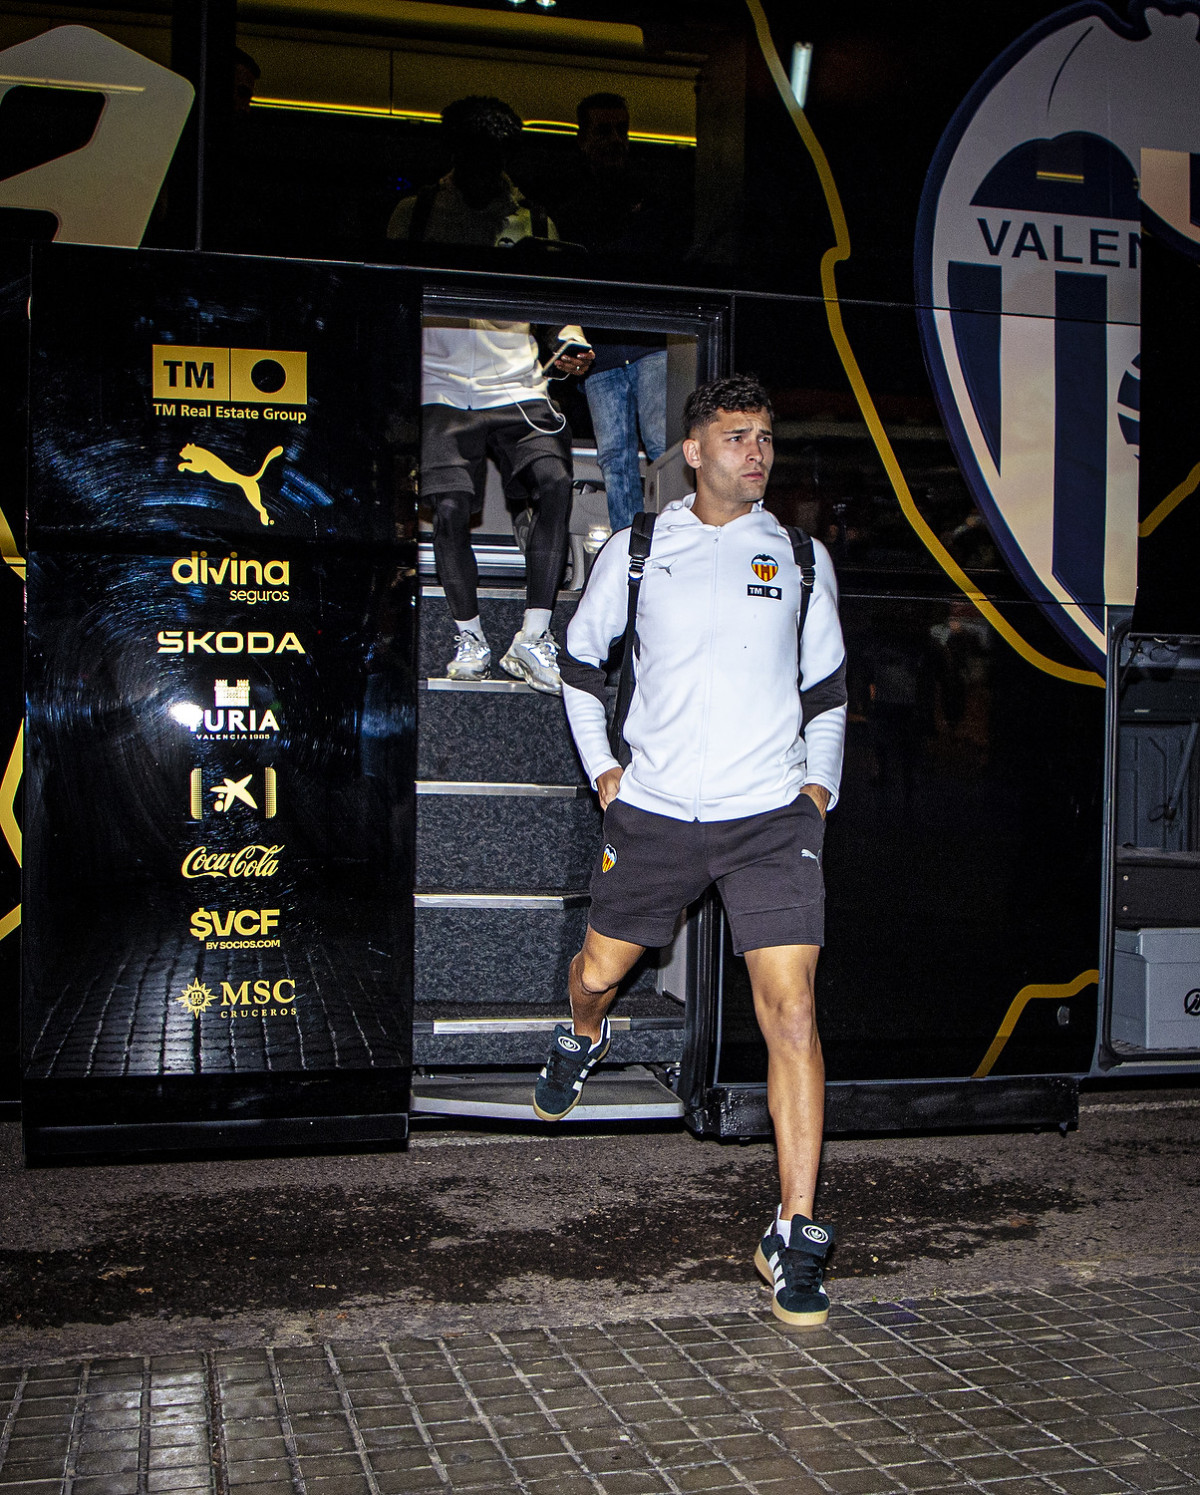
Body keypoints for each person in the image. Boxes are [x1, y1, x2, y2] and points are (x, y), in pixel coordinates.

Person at [542, 375, 848, 1327]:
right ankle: (583, 1033)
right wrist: (605, 770)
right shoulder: (639, 549)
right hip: (658, 810)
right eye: (736, 435)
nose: (756, 452)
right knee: (599, 974)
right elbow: (579, 665)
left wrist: (817, 791)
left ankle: (793, 1230)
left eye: (765, 437)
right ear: (693, 450)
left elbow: (828, 691)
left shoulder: (801, 557)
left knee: (792, 1010)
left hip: (769, 817)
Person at [389, 97, 593, 689]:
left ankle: (534, 636)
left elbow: (560, 307)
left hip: (518, 382)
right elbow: (389, 297)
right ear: (456, 152)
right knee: (451, 508)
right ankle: (470, 635)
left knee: (556, 483)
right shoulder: (417, 213)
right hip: (441, 385)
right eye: (474, 155)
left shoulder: (534, 219)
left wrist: (571, 340)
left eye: (495, 156)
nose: (485, 168)